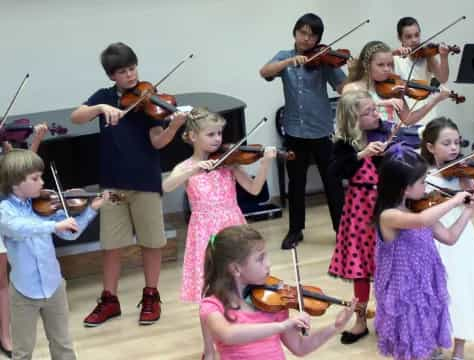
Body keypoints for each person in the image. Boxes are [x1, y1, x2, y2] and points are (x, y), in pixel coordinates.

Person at [70, 42, 187, 327]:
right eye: (123, 72)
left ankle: (151, 296)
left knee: (151, 242)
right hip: (112, 183)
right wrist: (99, 108)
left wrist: (173, 125)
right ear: (112, 76)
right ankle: (109, 300)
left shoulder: (150, 100)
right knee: (111, 244)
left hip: (145, 180)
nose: (131, 76)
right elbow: (76, 118)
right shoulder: (105, 97)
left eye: (132, 68)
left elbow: (157, 141)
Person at [162, 108, 276, 359]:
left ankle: (241, 335)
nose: (217, 139)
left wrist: (266, 163)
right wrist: (193, 170)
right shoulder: (186, 166)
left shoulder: (229, 162)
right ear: (192, 136)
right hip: (205, 233)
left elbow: (255, 190)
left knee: (239, 285)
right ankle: (209, 348)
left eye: (219, 133)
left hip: (233, 227)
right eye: (211, 134)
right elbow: (166, 186)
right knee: (209, 292)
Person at [373, 144, 474, 360]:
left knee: (426, 343)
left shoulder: (418, 206)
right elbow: (421, 221)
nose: (426, 186)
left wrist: (468, 210)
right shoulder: (389, 216)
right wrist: (455, 199)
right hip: (404, 292)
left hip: (426, 287)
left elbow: (449, 237)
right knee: (410, 347)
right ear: (404, 188)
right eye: (422, 182)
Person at [0, 149, 106, 359]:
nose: (42, 183)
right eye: (35, 178)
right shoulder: (5, 211)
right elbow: (21, 228)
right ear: (16, 182)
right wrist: (53, 226)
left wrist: (91, 210)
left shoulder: (45, 206)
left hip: (54, 286)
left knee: (63, 345)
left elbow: (70, 235)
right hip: (24, 294)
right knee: (22, 351)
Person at [200, 224, 357, 359]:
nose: (268, 264)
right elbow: (228, 334)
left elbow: (300, 348)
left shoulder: (272, 303)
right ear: (236, 268)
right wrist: (281, 326)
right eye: (260, 258)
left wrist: (335, 327)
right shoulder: (213, 306)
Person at [259, 13, 346, 249]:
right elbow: (264, 71)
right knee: (296, 183)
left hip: (321, 131)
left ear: (318, 38)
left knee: (333, 182)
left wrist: (354, 73)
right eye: (303, 32)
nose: (307, 39)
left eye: (312, 34)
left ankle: (342, 231)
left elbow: (343, 87)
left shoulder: (323, 60)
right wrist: (289, 63)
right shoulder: (284, 57)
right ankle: (295, 230)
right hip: (295, 132)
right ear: (295, 33)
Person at [327, 90, 385, 344]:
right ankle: (360, 321)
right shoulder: (344, 144)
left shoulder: (382, 133)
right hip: (360, 209)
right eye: (368, 112)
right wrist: (362, 154)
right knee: (360, 268)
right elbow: (334, 172)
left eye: (375, 109)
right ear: (353, 119)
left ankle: (387, 317)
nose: (376, 115)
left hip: (385, 207)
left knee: (388, 265)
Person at [421, 117, 474, 360]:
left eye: (457, 142)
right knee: (435, 292)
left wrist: (473, 190)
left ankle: (459, 349)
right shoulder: (422, 175)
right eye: (446, 143)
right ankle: (435, 342)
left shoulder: (464, 173)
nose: (454, 148)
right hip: (434, 239)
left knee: (461, 291)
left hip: (462, 238)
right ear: (430, 147)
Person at [0, 123, 48, 358]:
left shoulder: (5, 146)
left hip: (7, 215)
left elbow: (22, 171)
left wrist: (37, 139)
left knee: (2, 279)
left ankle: (5, 335)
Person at [344, 40, 449, 133]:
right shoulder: (353, 88)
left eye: (389, 64)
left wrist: (434, 100)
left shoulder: (392, 88)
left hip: (388, 142)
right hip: (363, 144)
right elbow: (352, 114)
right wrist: (383, 103)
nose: (387, 69)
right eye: (380, 65)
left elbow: (408, 120)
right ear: (366, 65)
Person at [393, 17, 451, 126]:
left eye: (417, 35)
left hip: (428, 116)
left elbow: (443, 78)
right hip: (405, 117)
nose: (414, 40)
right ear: (399, 38)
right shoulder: (393, 59)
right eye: (408, 37)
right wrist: (393, 53)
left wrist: (444, 57)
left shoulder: (427, 56)